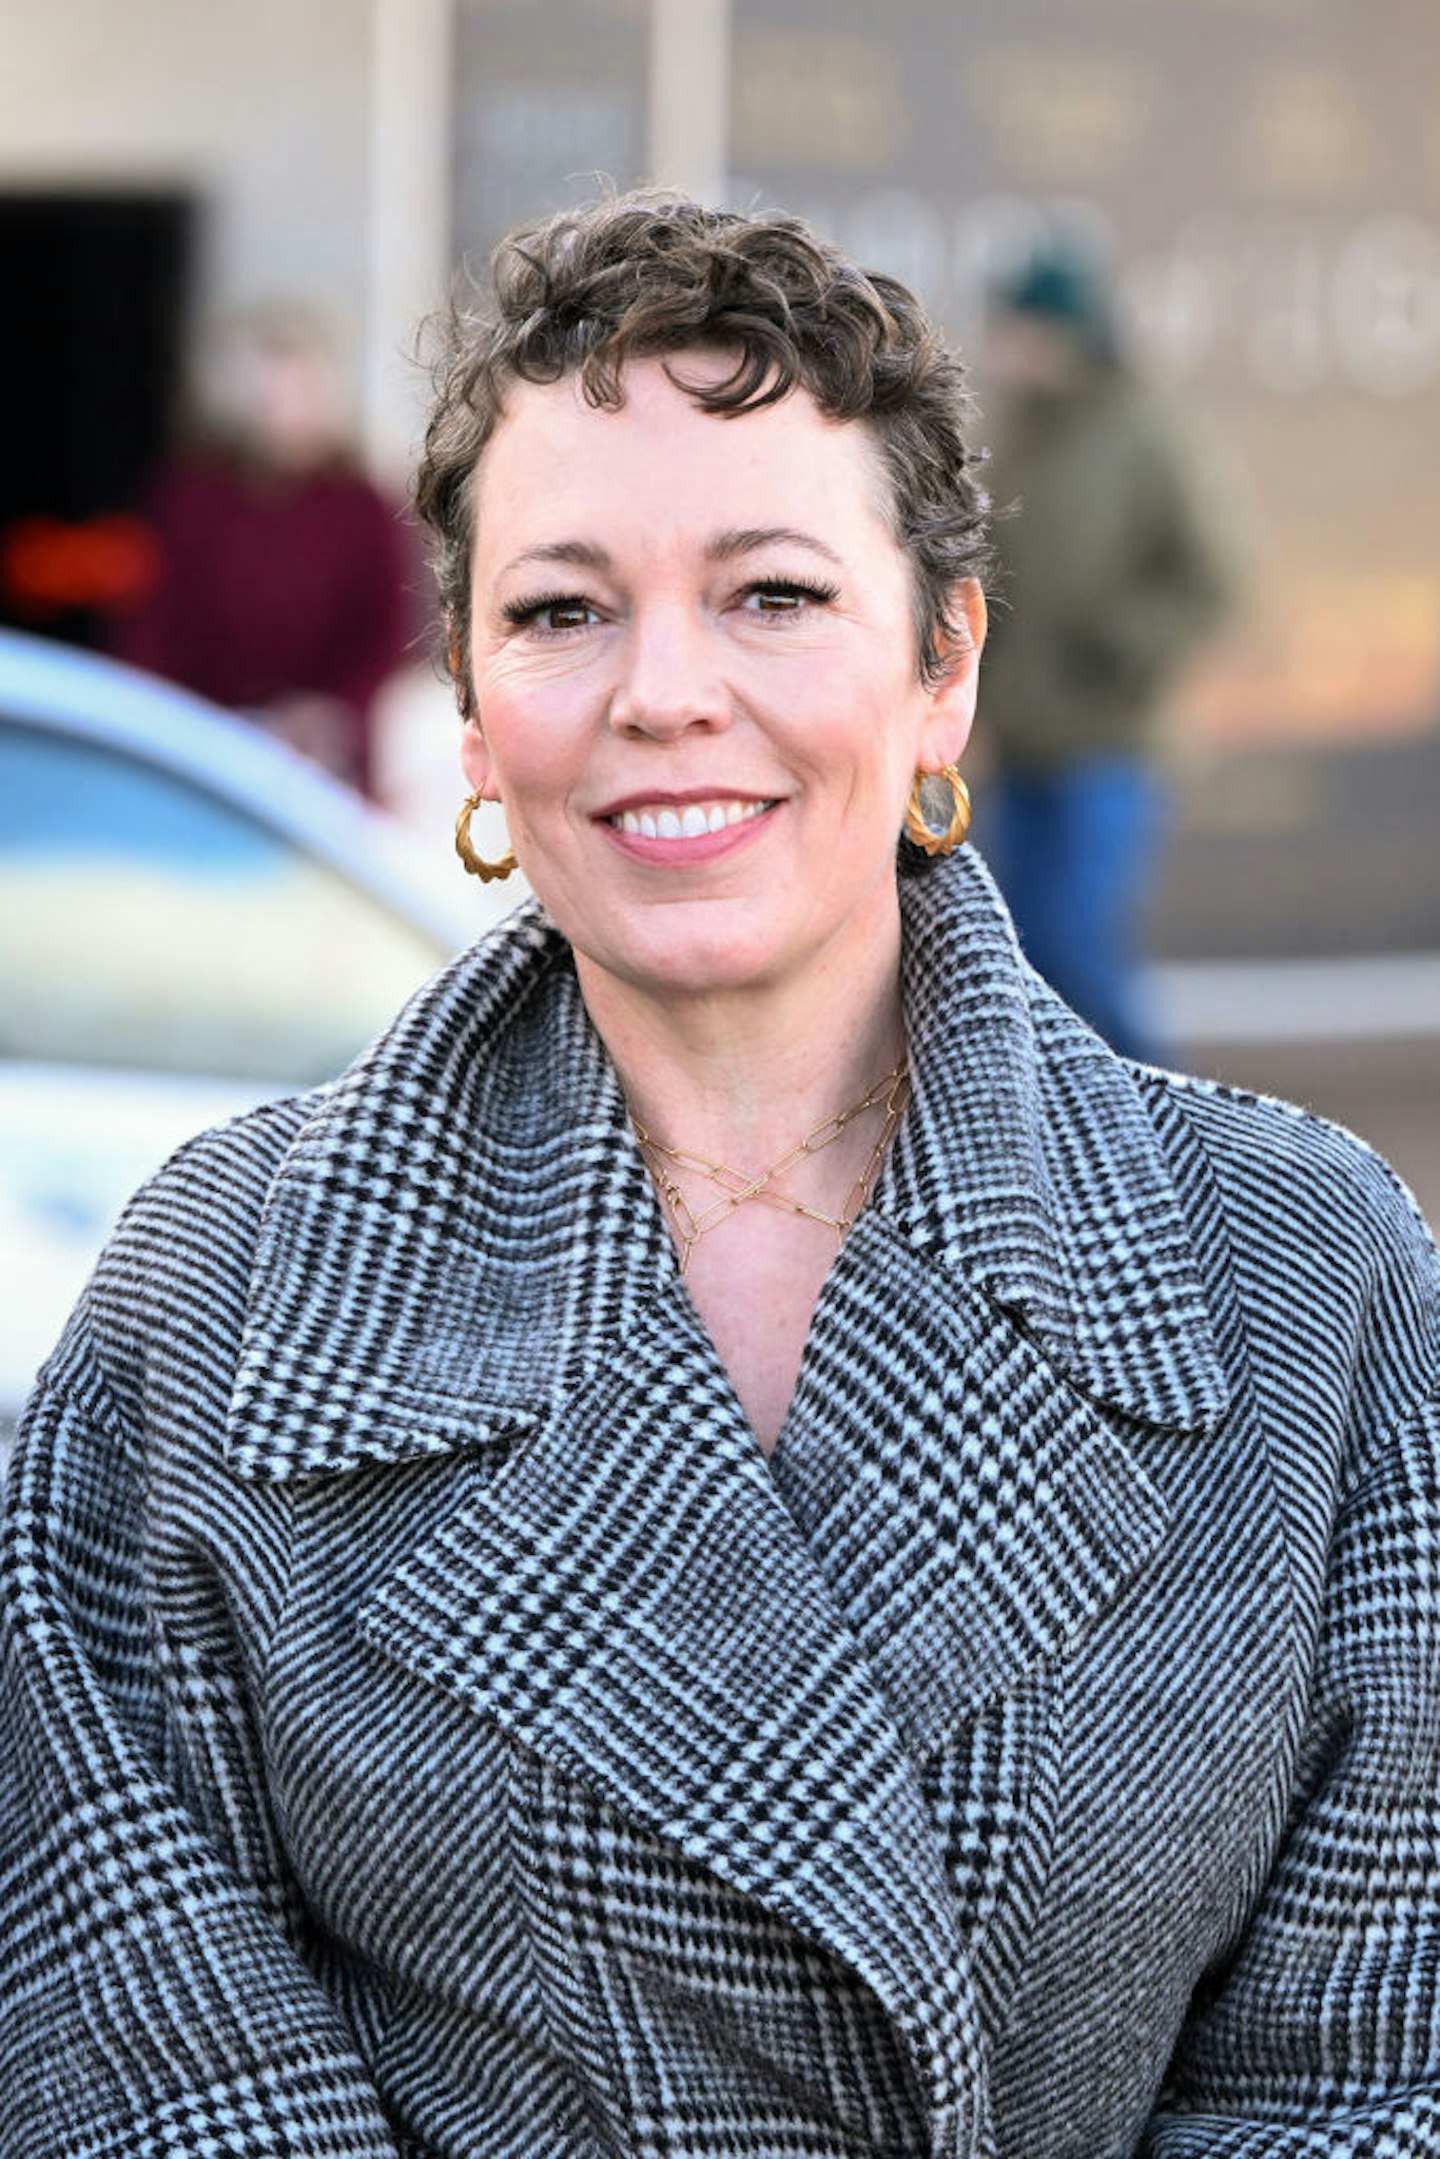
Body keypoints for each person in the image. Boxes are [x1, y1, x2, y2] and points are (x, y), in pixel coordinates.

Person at [1, 192, 1436, 2159]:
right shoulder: (221, 1287)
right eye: (562, 607)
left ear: (944, 670)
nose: (662, 689)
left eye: (771, 591)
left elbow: (1369, 2060)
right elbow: (130, 2042)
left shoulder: (1304, 1269)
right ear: (479, 714)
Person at [979, 242, 1236, 1063]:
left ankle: (1163, 1120)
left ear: (1069, 332)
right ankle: (1058, 1139)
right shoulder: (1011, 432)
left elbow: (1211, 579)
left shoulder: (1142, 434)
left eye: (1025, 328)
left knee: (1082, 948)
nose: (1010, 346)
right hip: (1019, 740)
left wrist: (1116, 647)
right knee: (1024, 955)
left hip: (1107, 742)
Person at [112, 302, 416, 799]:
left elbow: (387, 632)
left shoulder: (364, 507)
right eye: (268, 392)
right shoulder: (193, 499)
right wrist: (157, 719)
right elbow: (155, 625)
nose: (280, 408)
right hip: (206, 747)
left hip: (325, 760)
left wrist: (331, 712)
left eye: (298, 391)